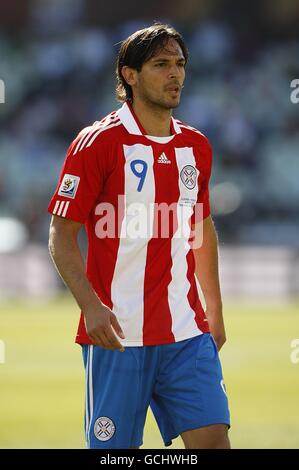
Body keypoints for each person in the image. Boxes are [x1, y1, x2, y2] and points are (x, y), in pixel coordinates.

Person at [48, 23, 230, 449]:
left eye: (180, 64)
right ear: (129, 75)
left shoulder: (196, 147)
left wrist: (215, 311)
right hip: (117, 337)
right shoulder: (97, 143)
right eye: (161, 64)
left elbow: (201, 228)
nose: (175, 75)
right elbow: (61, 233)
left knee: (214, 444)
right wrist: (91, 308)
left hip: (186, 333)